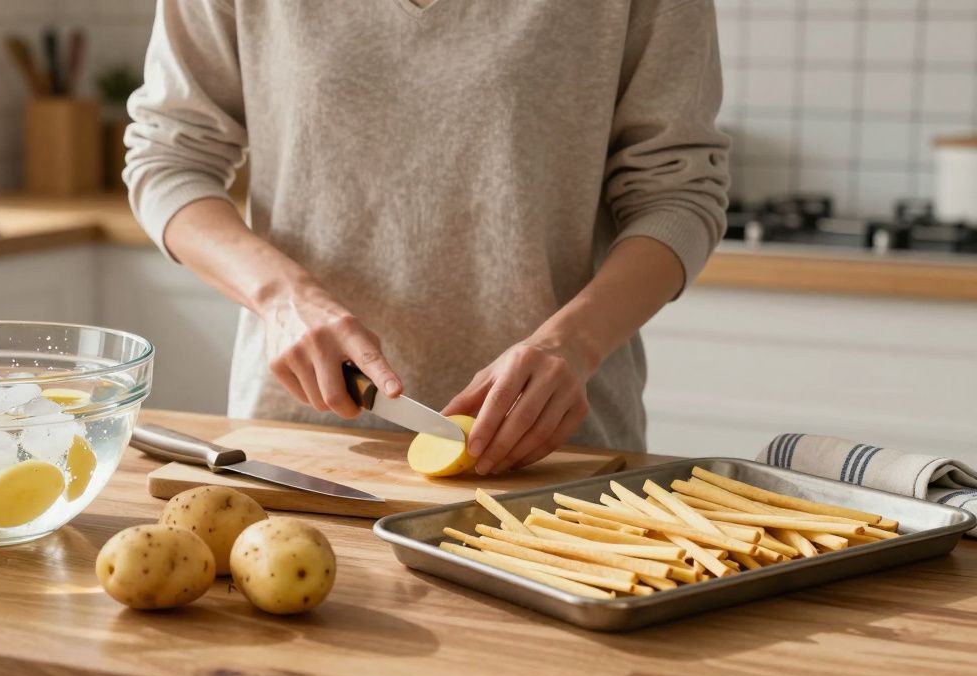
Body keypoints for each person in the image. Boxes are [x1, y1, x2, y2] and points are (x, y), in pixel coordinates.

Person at [124, 0, 729, 473]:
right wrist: (281, 297)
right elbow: (168, 161)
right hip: (296, 453)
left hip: (555, 459)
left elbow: (678, 194)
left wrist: (571, 344)